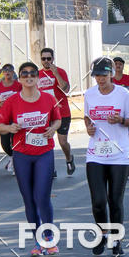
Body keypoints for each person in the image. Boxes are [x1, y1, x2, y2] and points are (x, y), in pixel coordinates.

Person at [0, 61, 61, 256]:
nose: (29, 76)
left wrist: (53, 128)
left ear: (38, 77)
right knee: (29, 200)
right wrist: (10, 128)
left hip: (43, 153)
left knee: (41, 196)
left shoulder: (48, 99)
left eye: (33, 73)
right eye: (24, 74)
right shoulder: (12, 102)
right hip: (22, 154)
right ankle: (38, 241)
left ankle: (49, 237)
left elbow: (57, 119)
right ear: (20, 78)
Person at [84, 57, 129, 257]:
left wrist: (120, 119)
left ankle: (116, 239)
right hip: (95, 153)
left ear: (111, 74)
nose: (100, 79)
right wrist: (88, 126)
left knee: (115, 200)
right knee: (98, 200)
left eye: (103, 75)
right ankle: (101, 234)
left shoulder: (122, 94)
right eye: (96, 75)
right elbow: (87, 116)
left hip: (118, 154)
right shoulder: (90, 94)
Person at [38, 48, 75, 176]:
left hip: (62, 111)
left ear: (53, 59)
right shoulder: (38, 74)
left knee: (62, 141)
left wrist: (56, 74)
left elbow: (66, 89)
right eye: (44, 59)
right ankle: (50, 168)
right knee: (47, 142)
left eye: (49, 58)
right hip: (46, 114)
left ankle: (69, 159)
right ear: (41, 60)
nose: (46, 61)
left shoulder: (60, 71)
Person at [0, 63, 21, 173]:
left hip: (16, 116)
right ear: (3, 73)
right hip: (4, 117)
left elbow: (24, 98)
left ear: (13, 73)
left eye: (9, 70)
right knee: (4, 144)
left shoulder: (18, 85)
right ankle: (12, 156)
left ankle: (17, 163)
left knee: (15, 140)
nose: (7, 72)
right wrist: (2, 105)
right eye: (5, 70)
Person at [113, 57, 129, 178]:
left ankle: (126, 167)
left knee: (124, 140)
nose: (118, 66)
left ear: (123, 66)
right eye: (116, 64)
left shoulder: (128, 79)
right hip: (112, 113)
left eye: (120, 64)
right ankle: (113, 164)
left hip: (126, 113)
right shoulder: (109, 79)